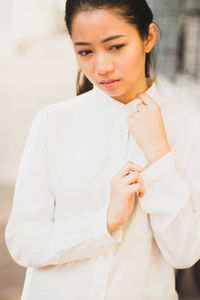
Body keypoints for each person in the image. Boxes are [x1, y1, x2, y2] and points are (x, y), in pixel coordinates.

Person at [5, 0, 200, 299]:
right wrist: (105, 222)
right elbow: (23, 242)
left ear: (148, 37)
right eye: (85, 51)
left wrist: (159, 156)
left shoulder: (187, 127)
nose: (101, 67)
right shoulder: (52, 123)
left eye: (116, 47)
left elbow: (185, 252)